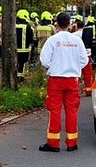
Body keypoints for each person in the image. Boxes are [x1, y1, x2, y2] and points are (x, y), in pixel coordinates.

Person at [38, 12, 89, 152]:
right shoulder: (77, 41)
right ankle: (72, 143)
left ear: (57, 24)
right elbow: (84, 60)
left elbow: (44, 60)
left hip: (56, 79)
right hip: (72, 80)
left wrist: (54, 66)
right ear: (69, 24)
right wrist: (74, 66)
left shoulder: (53, 40)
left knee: (54, 110)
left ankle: (53, 143)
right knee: (72, 111)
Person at [15, 9, 34, 82]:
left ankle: (15, 76)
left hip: (15, 49)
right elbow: (31, 38)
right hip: (24, 49)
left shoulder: (13, 25)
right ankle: (20, 78)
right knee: (22, 64)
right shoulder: (28, 27)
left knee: (15, 63)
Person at [80, 15, 96, 96]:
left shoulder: (73, 35)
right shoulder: (88, 32)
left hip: (75, 55)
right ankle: (88, 90)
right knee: (87, 73)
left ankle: (76, 91)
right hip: (87, 54)